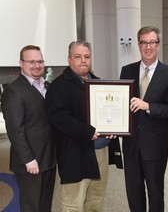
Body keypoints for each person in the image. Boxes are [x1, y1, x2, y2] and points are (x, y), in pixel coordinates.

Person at [45, 40, 122, 212]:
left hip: (101, 151)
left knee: (96, 198)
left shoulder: (99, 83)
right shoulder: (59, 86)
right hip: (75, 152)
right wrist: (88, 132)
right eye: (78, 56)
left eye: (87, 56)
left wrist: (114, 129)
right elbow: (59, 118)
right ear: (69, 59)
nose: (83, 60)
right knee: (73, 202)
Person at [120, 26, 168, 212]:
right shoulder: (127, 70)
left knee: (155, 193)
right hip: (130, 145)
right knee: (133, 192)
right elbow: (121, 105)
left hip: (155, 146)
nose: (148, 47)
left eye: (152, 42)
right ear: (138, 45)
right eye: (144, 42)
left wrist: (149, 107)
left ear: (158, 45)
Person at [1, 45, 56, 212]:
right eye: (31, 61)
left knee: (45, 204)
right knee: (31, 206)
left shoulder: (46, 86)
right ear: (21, 63)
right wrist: (28, 160)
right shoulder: (14, 91)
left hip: (48, 159)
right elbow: (15, 130)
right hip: (30, 162)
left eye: (40, 61)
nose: (37, 65)